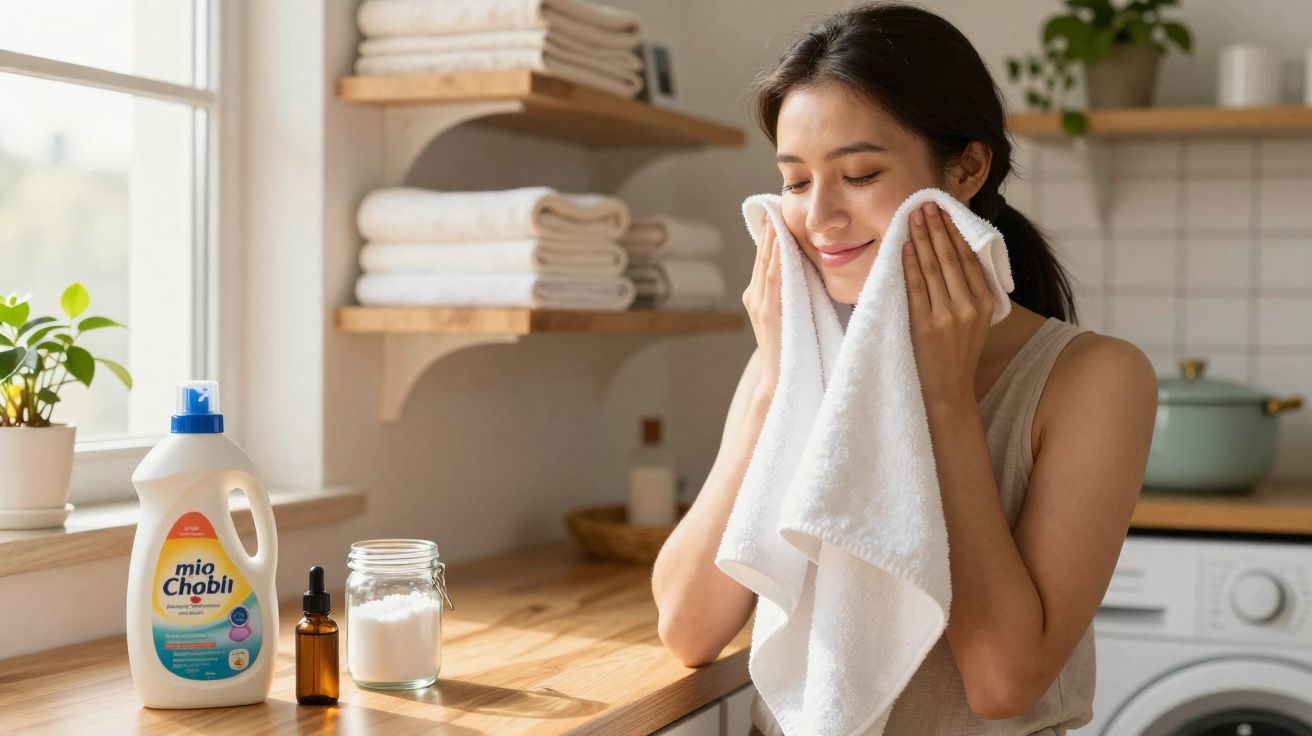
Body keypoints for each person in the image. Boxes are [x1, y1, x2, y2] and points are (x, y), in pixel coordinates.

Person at [650, 3, 1159, 734]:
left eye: (859, 174)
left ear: (968, 169)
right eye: (795, 182)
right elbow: (686, 629)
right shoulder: (794, 362)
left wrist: (944, 401)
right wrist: (775, 383)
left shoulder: (1094, 380)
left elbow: (1003, 684)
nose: (820, 218)